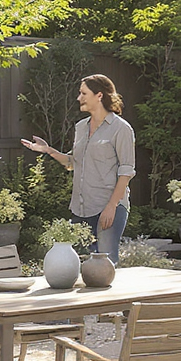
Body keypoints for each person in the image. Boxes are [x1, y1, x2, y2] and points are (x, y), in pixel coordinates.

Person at [21, 73, 135, 263]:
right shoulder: (81, 127)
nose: (78, 98)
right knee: (71, 263)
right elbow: (73, 163)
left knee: (105, 265)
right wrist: (48, 150)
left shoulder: (120, 129)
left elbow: (126, 172)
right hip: (81, 208)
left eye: (83, 93)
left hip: (107, 207)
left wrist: (111, 206)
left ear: (99, 95)